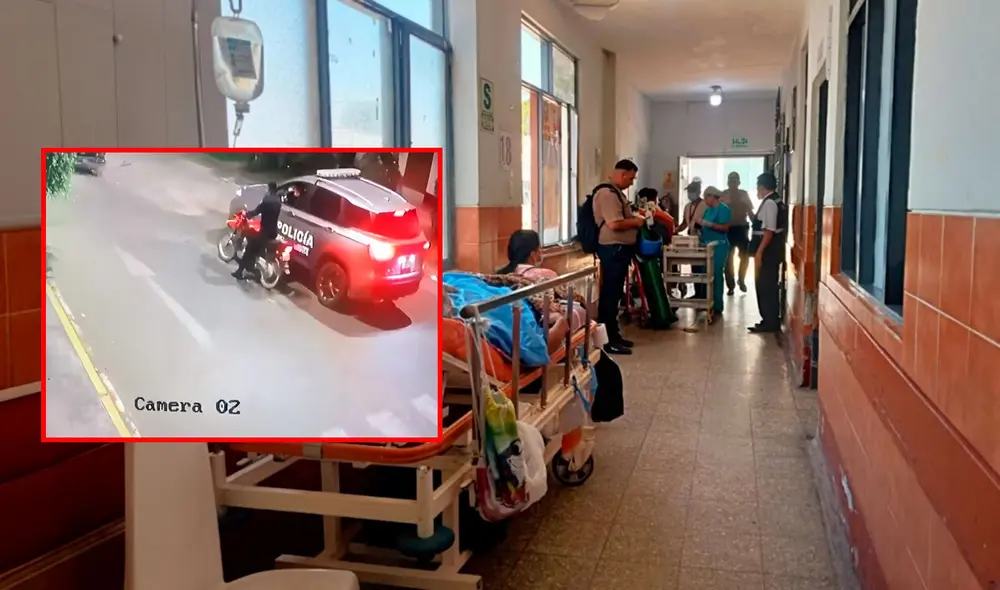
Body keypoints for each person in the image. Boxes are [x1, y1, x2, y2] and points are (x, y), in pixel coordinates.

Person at [592, 159, 644, 355]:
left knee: (614, 295)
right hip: (612, 249)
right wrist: (637, 222)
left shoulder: (616, 193)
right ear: (623, 174)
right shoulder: (607, 194)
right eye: (631, 178)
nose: (631, 182)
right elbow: (615, 224)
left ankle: (614, 335)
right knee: (610, 296)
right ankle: (608, 341)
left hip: (619, 250)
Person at [748, 172, 788, 333]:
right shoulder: (773, 201)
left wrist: (759, 254)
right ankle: (767, 319)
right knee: (766, 285)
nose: (757, 190)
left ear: (763, 187)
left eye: (758, 187)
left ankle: (770, 321)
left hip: (768, 252)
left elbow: (769, 232)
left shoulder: (770, 203)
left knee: (766, 286)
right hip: (770, 251)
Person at [233, 181, 282, 281]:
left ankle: (240, 272)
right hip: (273, 232)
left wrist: (247, 214)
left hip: (265, 232)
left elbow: (257, 210)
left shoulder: (267, 200)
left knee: (249, 247)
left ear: (269, 189)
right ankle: (252, 266)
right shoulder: (278, 200)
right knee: (256, 245)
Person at [699, 187, 733, 316]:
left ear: (712, 196)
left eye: (706, 197)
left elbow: (725, 227)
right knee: (705, 274)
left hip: (719, 246)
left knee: (716, 274)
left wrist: (710, 225)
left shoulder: (724, 209)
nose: (705, 200)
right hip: (706, 244)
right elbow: (703, 226)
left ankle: (717, 305)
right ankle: (707, 302)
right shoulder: (708, 210)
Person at [721, 172, 755, 295]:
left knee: (744, 256)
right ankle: (730, 285)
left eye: (735, 181)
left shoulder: (744, 194)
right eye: (731, 181)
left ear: (739, 182)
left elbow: (750, 212)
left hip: (742, 229)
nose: (733, 183)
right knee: (728, 259)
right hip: (728, 230)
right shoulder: (723, 195)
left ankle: (741, 279)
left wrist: (756, 225)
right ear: (727, 182)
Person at [674, 178, 708, 299]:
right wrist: (675, 230)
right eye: (688, 192)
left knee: (703, 268)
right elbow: (684, 223)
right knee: (694, 267)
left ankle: (704, 294)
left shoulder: (705, 205)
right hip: (691, 241)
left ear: (698, 192)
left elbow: (707, 222)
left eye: (692, 191)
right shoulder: (687, 206)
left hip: (703, 239)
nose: (690, 194)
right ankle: (697, 293)